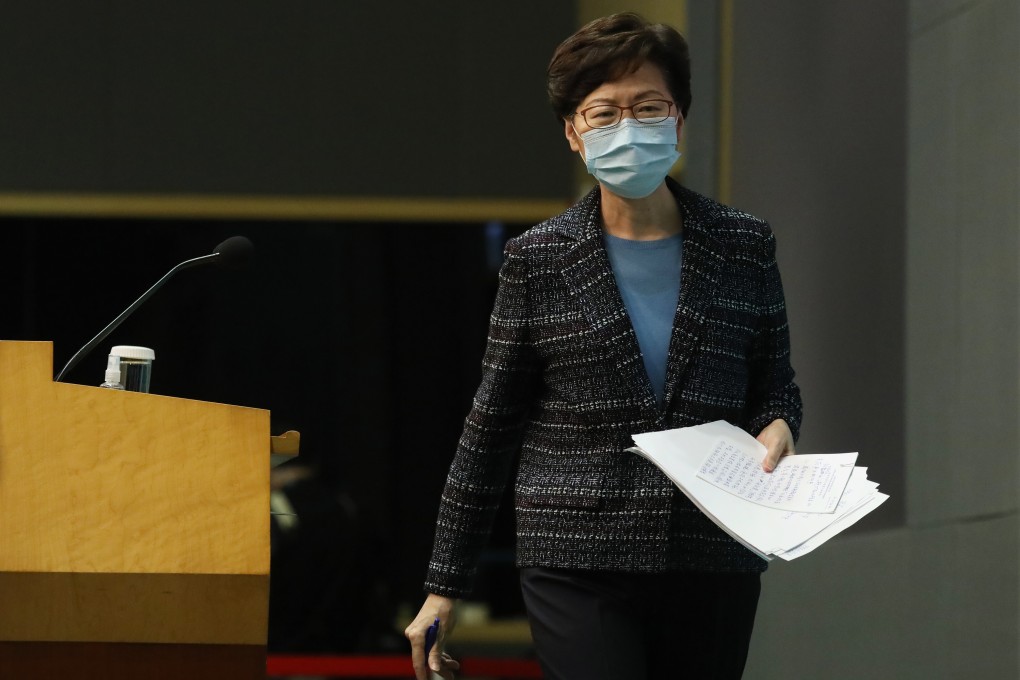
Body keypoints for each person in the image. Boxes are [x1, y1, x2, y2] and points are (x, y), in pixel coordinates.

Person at [405, 12, 802, 680]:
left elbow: (775, 384)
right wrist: (445, 584)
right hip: (576, 554)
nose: (629, 127)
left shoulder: (742, 243)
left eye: (648, 108)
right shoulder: (538, 258)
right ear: (573, 132)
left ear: (678, 121)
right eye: (604, 113)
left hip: (711, 549)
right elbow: (491, 426)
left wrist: (781, 424)